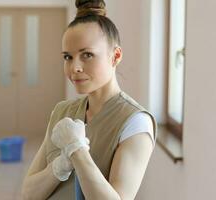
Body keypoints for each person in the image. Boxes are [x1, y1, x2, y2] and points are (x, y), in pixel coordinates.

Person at [21, 0, 157, 199]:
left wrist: (77, 151)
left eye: (87, 55)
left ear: (115, 56)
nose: (74, 67)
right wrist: (59, 167)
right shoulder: (62, 112)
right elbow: (28, 194)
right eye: (68, 57)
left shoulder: (135, 122)